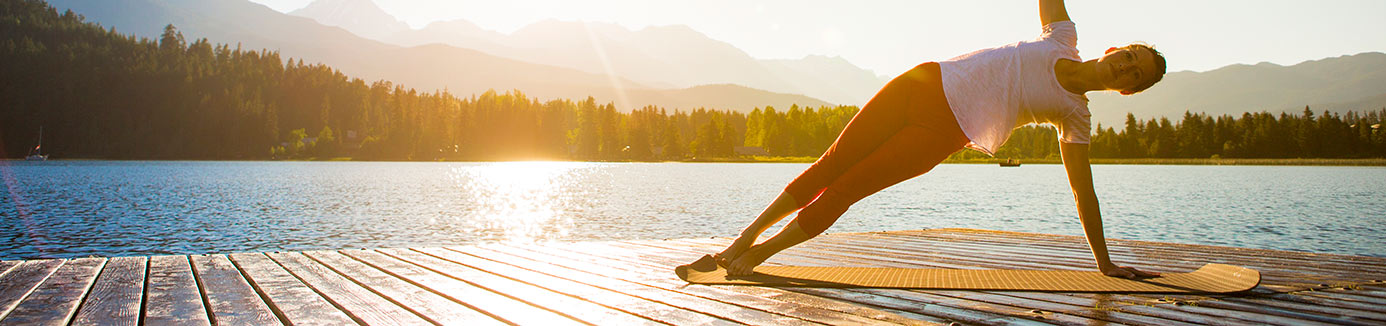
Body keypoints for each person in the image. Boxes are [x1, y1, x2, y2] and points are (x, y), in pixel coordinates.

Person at [715, 0, 1166, 279]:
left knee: (847, 188)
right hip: (923, 81)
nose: (1126, 67)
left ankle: (760, 255)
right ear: (1114, 50)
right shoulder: (1062, 37)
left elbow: (1081, 190)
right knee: (831, 163)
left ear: (1127, 90)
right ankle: (745, 237)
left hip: (943, 132)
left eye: (1134, 74)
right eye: (1129, 56)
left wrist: (1104, 263)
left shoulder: (1076, 115)